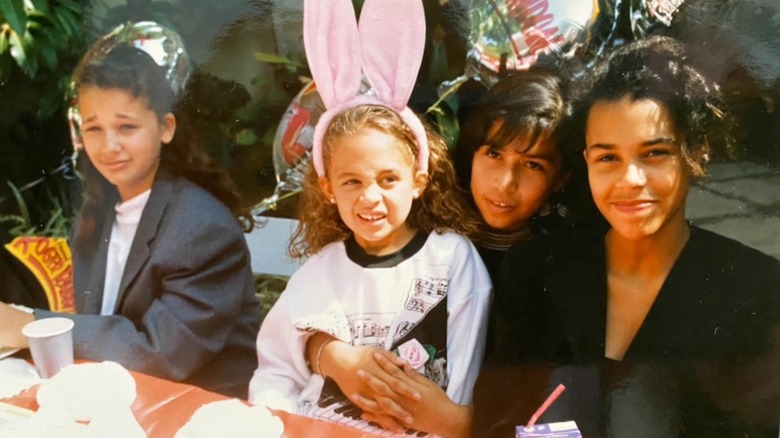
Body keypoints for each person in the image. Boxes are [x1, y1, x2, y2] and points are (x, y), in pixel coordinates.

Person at [473, 35, 780, 437]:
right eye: (607, 158)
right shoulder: (535, 272)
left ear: (697, 152)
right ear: (585, 162)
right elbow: (499, 419)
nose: (629, 180)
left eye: (654, 153)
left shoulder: (756, 290)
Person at [249, 1, 491, 436]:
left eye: (387, 179)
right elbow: (276, 370)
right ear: (328, 188)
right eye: (352, 182)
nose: (370, 197)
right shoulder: (321, 270)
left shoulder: (451, 260)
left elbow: (462, 384)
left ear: (418, 180)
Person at [0, 45, 260, 398]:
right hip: (120, 393)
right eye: (94, 129)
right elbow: (101, 321)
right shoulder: (100, 211)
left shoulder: (203, 229)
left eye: (126, 126)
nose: (109, 146)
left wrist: (29, 325)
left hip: (197, 406)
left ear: (165, 127)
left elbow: (160, 353)